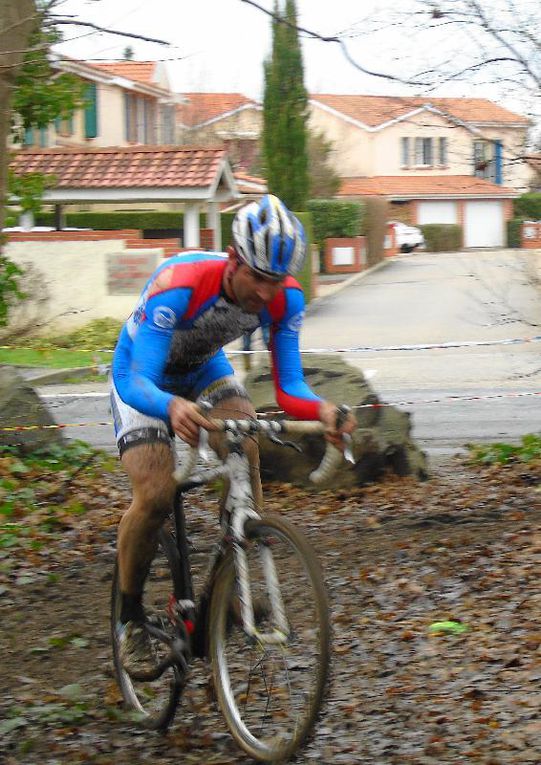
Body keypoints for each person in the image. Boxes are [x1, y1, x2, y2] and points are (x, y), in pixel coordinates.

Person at [110, 194, 356, 680]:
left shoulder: (286, 298)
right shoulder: (178, 286)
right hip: (142, 378)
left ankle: (237, 569)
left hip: (204, 370)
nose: (266, 293)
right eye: (258, 277)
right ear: (233, 258)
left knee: (245, 441)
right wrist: (170, 406)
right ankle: (129, 620)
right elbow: (137, 379)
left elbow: (289, 390)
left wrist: (324, 409)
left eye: (276, 280)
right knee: (156, 494)